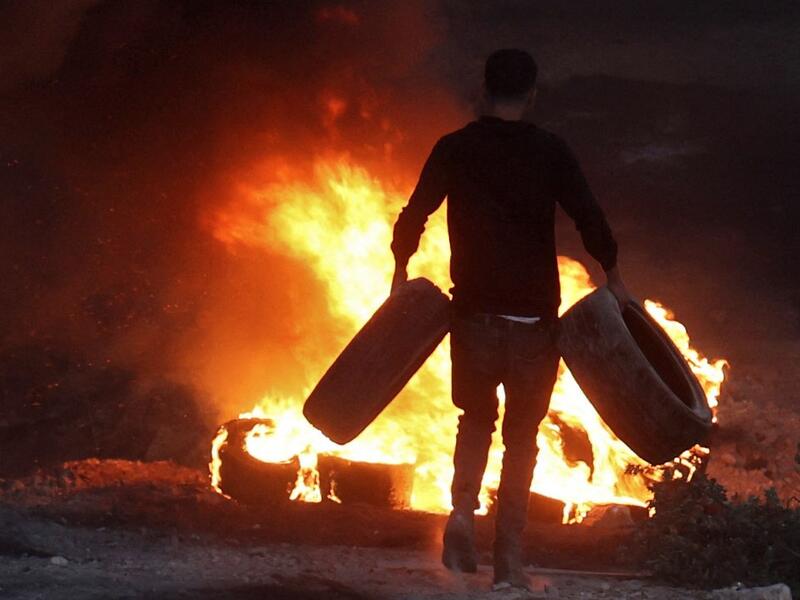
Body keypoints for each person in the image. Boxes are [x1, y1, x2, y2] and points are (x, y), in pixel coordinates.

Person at [389, 48, 632, 590]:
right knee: (522, 438)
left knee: (475, 420)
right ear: (532, 93)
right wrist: (614, 279)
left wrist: (400, 275)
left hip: (472, 316)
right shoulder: (551, 151)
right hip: (532, 326)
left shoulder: (454, 148)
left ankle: (460, 515)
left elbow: (414, 214)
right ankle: (509, 561)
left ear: (484, 89)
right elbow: (589, 216)